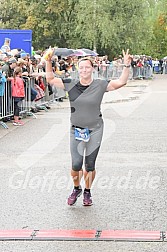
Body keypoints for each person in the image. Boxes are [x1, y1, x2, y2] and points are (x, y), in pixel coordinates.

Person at [45, 49, 132, 206]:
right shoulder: (70, 84)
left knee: (89, 165)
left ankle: (87, 192)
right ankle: (76, 188)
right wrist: (48, 61)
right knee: (76, 164)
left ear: (92, 69)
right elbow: (50, 79)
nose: (84, 70)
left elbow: (121, 82)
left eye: (87, 67)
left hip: (95, 129)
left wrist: (126, 65)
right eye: (82, 67)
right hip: (76, 130)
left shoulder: (100, 84)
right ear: (78, 69)